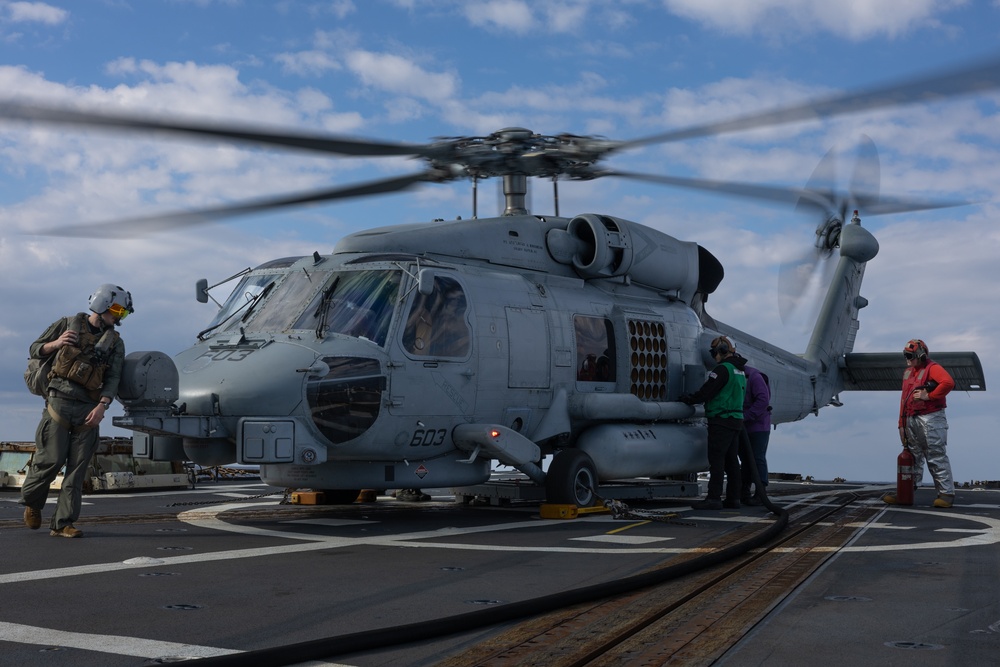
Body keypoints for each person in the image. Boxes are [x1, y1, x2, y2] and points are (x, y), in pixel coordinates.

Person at [20, 284, 132, 537]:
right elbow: (34, 348)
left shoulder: (115, 342)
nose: (118, 317)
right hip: (59, 400)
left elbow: (113, 377)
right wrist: (56, 343)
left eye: (122, 313)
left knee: (77, 468)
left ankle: (63, 523)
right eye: (116, 310)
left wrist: (103, 406)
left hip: (89, 407)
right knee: (50, 460)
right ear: (101, 304)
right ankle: (32, 503)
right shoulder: (67, 324)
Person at [884, 339, 956, 508]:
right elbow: (904, 398)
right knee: (912, 456)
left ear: (920, 355)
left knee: (935, 453)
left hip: (931, 417)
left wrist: (928, 396)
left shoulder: (933, 368)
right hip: (910, 419)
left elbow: (948, 383)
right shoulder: (909, 372)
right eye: (906, 356)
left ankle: (946, 493)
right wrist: (901, 424)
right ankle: (905, 491)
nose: (907, 359)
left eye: (910, 356)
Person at [680, 335, 747, 510]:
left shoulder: (722, 370)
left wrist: (689, 399)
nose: (713, 356)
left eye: (714, 352)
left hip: (721, 420)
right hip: (736, 421)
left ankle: (714, 498)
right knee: (732, 461)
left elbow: (707, 391)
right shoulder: (739, 371)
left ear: (722, 351)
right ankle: (734, 499)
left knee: (717, 460)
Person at [740, 365, 772, 506]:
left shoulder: (754, 376)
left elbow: (763, 400)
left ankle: (760, 492)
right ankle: (744, 492)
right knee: (745, 459)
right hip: (744, 425)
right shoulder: (740, 375)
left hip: (758, 426)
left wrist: (747, 416)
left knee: (757, 457)